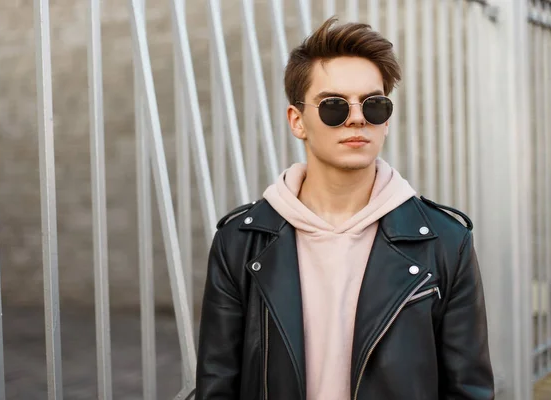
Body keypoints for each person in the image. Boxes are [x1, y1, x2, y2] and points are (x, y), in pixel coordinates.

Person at [195, 17, 494, 400]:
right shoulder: (240, 243)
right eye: (334, 106)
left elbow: (469, 389)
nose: (357, 118)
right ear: (297, 121)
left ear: (386, 121)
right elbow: (218, 384)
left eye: (374, 105)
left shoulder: (446, 243)